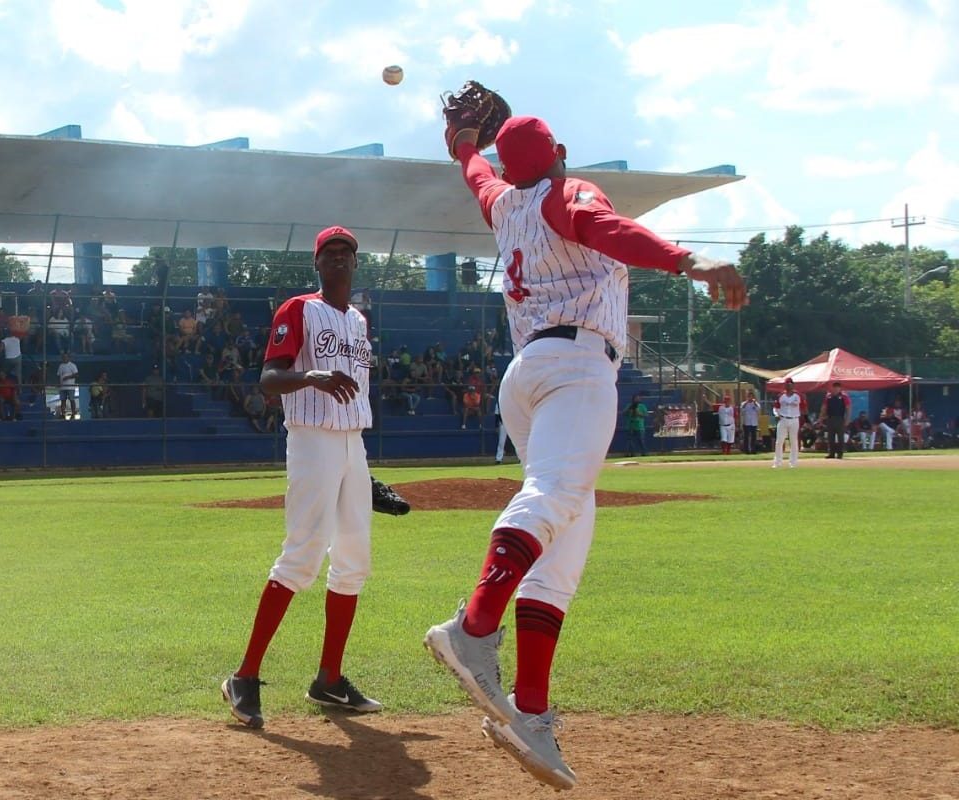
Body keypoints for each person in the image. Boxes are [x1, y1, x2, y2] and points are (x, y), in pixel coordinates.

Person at [423, 113, 746, 790]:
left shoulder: (502, 201)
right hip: (576, 366)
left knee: (565, 540)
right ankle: (473, 627)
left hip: (528, 373)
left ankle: (530, 713)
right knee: (556, 498)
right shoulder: (567, 192)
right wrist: (688, 260)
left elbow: (476, 175)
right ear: (561, 153)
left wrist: (463, 143)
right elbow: (604, 229)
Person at [220, 225, 383, 730]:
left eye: (346, 252)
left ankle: (329, 679)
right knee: (302, 558)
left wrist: (360, 475)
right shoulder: (298, 309)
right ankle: (243, 677)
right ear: (317, 263)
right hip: (312, 438)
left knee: (353, 562)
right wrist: (310, 377)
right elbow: (269, 379)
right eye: (329, 252)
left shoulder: (358, 320)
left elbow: (354, 397)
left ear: (355, 263)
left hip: (353, 443)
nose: (338, 258)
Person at [773, 378, 804, 468]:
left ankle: (793, 463)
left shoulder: (798, 395)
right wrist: (776, 414)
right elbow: (775, 407)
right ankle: (777, 462)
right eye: (787, 384)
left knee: (793, 441)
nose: (789, 385)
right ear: (785, 385)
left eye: (790, 384)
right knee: (779, 441)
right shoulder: (781, 395)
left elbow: (803, 407)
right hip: (783, 419)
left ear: (793, 385)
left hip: (794, 419)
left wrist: (804, 419)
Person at [822, 381, 850, 459]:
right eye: (834, 387)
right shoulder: (829, 396)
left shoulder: (844, 396)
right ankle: (831, 453)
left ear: (840, 388)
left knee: (840, 436)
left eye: (837, 388)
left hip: (840, 418)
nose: (836, 389)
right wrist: (821, 417)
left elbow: (848, 408)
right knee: (830, 437)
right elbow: (824, 407)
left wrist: (847, 419)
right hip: (830, 418)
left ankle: (840, 453)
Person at [622, 392, 649, 457]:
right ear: (633, 399)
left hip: (639, 426)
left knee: (641, 440)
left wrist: (639, 413)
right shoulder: (629, 405)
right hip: (630, 426)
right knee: (630, 441)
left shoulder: (642, 406)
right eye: (636, 398)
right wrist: (629, 409)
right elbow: (624, 413)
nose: (637, 399)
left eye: (638, 398)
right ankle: (631, 453)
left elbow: (646, 415)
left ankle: (644, 452)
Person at [55, 352, 79, 420]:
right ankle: (63, 414)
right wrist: (58, 383)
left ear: (68, 358)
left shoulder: (72, 365)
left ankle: (73, 414)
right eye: (63, 357)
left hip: (70, 387)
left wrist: (68, 377)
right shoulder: (61, 366)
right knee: (63, 400)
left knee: (72, 400)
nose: (64, 358)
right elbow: (58, 375)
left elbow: (76, 375)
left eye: (66, 357)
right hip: (62, 387)